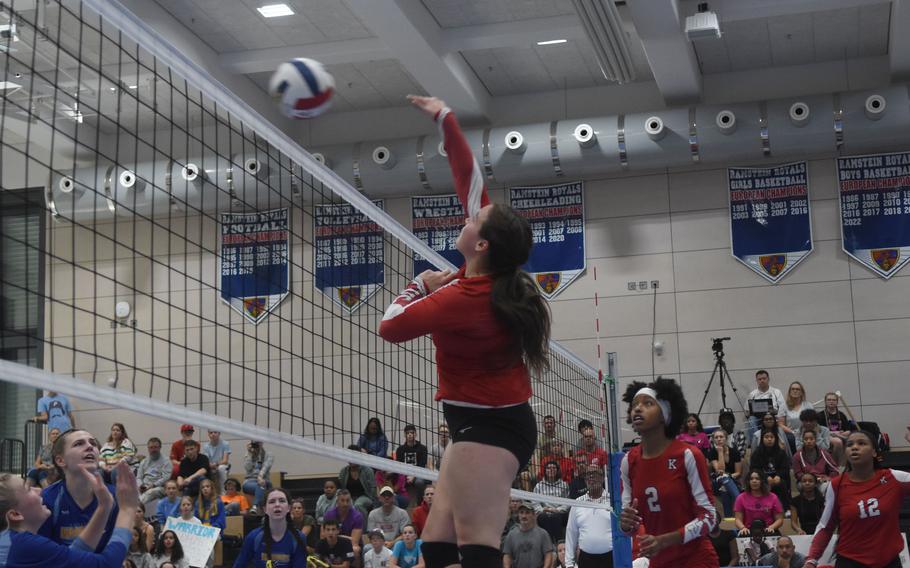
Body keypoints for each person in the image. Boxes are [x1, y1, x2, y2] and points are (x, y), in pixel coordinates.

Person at [379, 94, 550, 568]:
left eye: (474, 219)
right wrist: (445, 119)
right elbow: (467, 178)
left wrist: (419, 284)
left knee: (476, 545)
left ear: (481, 242)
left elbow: (389, 326)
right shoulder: (487, 278)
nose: (468, 215)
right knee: (436, 542)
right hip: (476, 422)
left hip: (492, 426)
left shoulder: (460, 298)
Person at [619, 377, 718, 568]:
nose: (638, 409)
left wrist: (666, 540)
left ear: (665, 414)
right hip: (658, 560)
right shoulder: (628, 461)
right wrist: (625, 524)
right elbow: (627, 525)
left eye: (648, 404)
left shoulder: (687, 455)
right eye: (634, 405)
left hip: (695, 559)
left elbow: (709, 517)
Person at [0, 461, 137, 568]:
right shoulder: (24, 545)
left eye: (92, 442)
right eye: (28, 489)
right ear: (15, 514)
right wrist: (127, 510)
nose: (38, 490)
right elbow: (105, 565)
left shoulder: (10, 541)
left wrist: (104, 507)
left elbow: (70, 557)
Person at [806, 430, 910, 568]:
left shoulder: (894, 478)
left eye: (861, 443)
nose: (854, 447)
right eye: (849, 445)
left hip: (889, 562)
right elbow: (826, 526)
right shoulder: (836, 485)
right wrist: (811, 559)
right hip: (850, 562)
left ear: (874, 452)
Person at [39, 429, 119, 550]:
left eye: (93, 443)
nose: (90, 447)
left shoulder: (115, 496)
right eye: (78, 444)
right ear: (60, 460)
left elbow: (116, 552)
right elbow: (44, 556)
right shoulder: (47, 499)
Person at [234, 487, 307, 568]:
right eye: (272, 502)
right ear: (265, 509)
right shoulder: (253, 537)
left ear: (289, 508)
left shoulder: (298, 538)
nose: (277, 504)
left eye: (282, 501)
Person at [564, 461, 613, 568]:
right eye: (588, 475)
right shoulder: (578, 502)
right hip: (586, 560)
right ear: (585, 480)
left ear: (602, 477)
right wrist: (569, 564)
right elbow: (571, 532)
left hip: (611, 558)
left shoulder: (612, 501)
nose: (591, 477)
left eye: (594, 474)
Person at [749, 427, 792, 509]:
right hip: (762, 479)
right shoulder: (757, 453)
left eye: (772, 437)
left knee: (782, 483)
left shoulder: (781, 452)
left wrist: (778, 476)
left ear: (775, 439)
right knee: (761, 483)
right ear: (762, 439)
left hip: (778, 478)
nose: (769, 439)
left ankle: (786, 509)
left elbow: (785, 468)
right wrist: (765, 477)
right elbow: (754, 469)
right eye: (766, 437)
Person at [502, 502, 554, 568]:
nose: (524, 516)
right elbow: (507, 556)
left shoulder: (543, 534)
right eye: (521, 512)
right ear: (518, 515)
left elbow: (548, 555)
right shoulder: (511, 534)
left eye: (527, 513)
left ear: (533, 515)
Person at [733, 471, 783, 536]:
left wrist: (771, 527)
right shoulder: (741, 497)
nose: (754, 481)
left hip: (768, 530)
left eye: (757, 479)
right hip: (748, 530)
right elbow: (738, 519)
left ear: (762, 481)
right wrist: (743, 528)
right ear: (748, 482)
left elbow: (779, 519)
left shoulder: (773, 497)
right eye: (751, 479)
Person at [706, 429, 741, 518]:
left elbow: (738, 472)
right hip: (716, 483)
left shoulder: (734, 452)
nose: (719, 439)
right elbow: (720, 470)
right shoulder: (712, 452)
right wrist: (720, 452)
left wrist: (729, 476)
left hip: (732, 481)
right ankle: (739, 500)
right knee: (723, 477)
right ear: (713, 440)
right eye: (716, 437)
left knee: (724, 489)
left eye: (721, 437)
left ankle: (728, 520)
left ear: (726, 438)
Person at [532, 460, 570, 542]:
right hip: (544, 513)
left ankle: (559, 542)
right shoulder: (539, 486)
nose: (551, 470)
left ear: (557, 470)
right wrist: (543, 510)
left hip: (559, 513)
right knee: (543, 517)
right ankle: (548, 543)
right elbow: (535, 503)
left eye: (554, 468)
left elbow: (567, 502)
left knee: (556, 517)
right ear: (545, 471)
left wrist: (558, 510)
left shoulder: (564, 485)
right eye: (548, 468)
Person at [323, 489, 364, 561]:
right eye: (342, 500)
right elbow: (323, 536)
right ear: (337, 501)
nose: (345, 504)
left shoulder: (357, 516)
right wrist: (342, 537)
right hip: (332, 544)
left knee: (355, 549)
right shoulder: (329, 515)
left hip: (349, 546)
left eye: (348, 501)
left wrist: (335, 536)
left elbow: (354, 541)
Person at [746, 370, 785, 440]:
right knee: (751, 419)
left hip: (773, 417)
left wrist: (774, 411)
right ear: (757, 381)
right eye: (759, 379)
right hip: (758, 418)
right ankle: (757, 440)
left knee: (774, 417)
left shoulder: (776, 392)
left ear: (768, 379)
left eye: (764, 378)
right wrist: (753, 411)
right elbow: (747, 412)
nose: (762, 381)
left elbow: (783, 409)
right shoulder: (752, 394)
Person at [395, 424, 428, 503]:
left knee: (419, 482)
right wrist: (406, 475)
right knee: (397, 481)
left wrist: (413, 475)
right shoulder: (400, 449)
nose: (410, 435)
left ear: (415, 434)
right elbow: (399, 465)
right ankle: (399, 503)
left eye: (412, 433)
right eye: (407, 433)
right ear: (404, 435)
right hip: (404, 473)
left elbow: (422, 465)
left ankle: (420, 503)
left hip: (418, 473)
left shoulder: (422, 448)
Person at [338, 449, 376, 517]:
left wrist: (372, 499)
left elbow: (373, 487)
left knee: (358, 505)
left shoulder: (368, 470)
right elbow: (341, 487)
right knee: (342, 504)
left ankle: (363, 527)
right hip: (349, 497)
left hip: (365, 496)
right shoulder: (343, 471)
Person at [820, 393, 853, 465]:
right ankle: (836, 465)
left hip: (841, 435)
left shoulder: (841, 414)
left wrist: (842, 433)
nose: (831, 401)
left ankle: (847, 465)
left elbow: (848, 430)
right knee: (838, 442)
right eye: (829, 400)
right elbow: (820, 431)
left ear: (837, 402)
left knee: (852, 440)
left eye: (834, 400)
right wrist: (833, 433)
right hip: (827, 436)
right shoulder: (820, 415)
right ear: (825, 402)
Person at [137, 437, 171, 505]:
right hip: (144, 486)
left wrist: (153, 485)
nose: (153, 449)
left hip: (159, 488)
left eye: (155, 447)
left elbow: (165, 478)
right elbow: (138, 477)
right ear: (148, 448)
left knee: (151, 492)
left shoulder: (166, 461)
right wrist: (140, 486)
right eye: (151, 447)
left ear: (160, 447)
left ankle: (137, 506)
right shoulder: (144, 462)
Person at [242, 441, 273, 514]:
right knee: (260, 486)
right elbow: (247, 468)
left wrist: (260, 477)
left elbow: (266, 467)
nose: (256, 445)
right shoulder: (248, 454)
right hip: (250, 481)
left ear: (262, 443)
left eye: (258, 443)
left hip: (265, 480)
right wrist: (249, 454)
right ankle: (256, 507)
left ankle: (255, 506)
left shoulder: (268, 455)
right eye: (254, 443)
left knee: (262, 483)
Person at [782, 382, 812, 453]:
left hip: (806, 431)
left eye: (797, 389)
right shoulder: (784, 406)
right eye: (793, 389)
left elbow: (813, 421)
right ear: (789, 392)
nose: (795, 391)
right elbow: (780, 424)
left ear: (801, 392)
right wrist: (792, 432)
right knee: (791, 438)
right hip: (790, 432)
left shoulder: (808, 405)